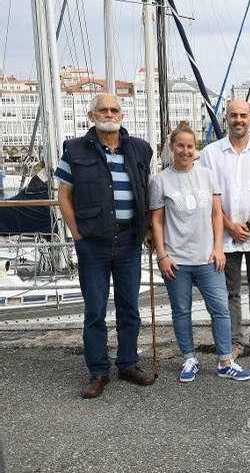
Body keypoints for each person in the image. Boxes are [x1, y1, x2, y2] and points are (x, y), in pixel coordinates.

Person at [54, 93, 156, 399]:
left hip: (128, 241)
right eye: (103, 109)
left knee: (129, 308)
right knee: (95, 311)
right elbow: (64, 195)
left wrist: (148, 229)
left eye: (114, 110)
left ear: (122, 116)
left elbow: (147, 192)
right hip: (93, 244)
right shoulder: (74, 149)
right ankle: (98, 372)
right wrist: (77, 236)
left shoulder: (140, 149)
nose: (108, 113)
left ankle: (127, 363)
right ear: (91, 115)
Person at [150, 122, 250, 382]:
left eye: (190, 146)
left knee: (220, 309)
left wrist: (219, 248)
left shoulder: (208, 175)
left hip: (208, 258)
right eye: (180, 146)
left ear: (196, 148)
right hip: (176, 261)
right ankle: (189, 358)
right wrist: (162, 254)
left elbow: (217, 214)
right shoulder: (160, 180)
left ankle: (225, 360)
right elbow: (157, 221)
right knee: (181, 311)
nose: (185, 151)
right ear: (171, 147)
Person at [200, 100, 250, 362]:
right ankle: (234, 341)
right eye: (234, 115)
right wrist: (230, 225)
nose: (238, 120)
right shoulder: (211, 153)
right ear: (226, 118)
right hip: (225, 236)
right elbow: (208, 195)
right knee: (229, 292)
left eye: (243, 115)